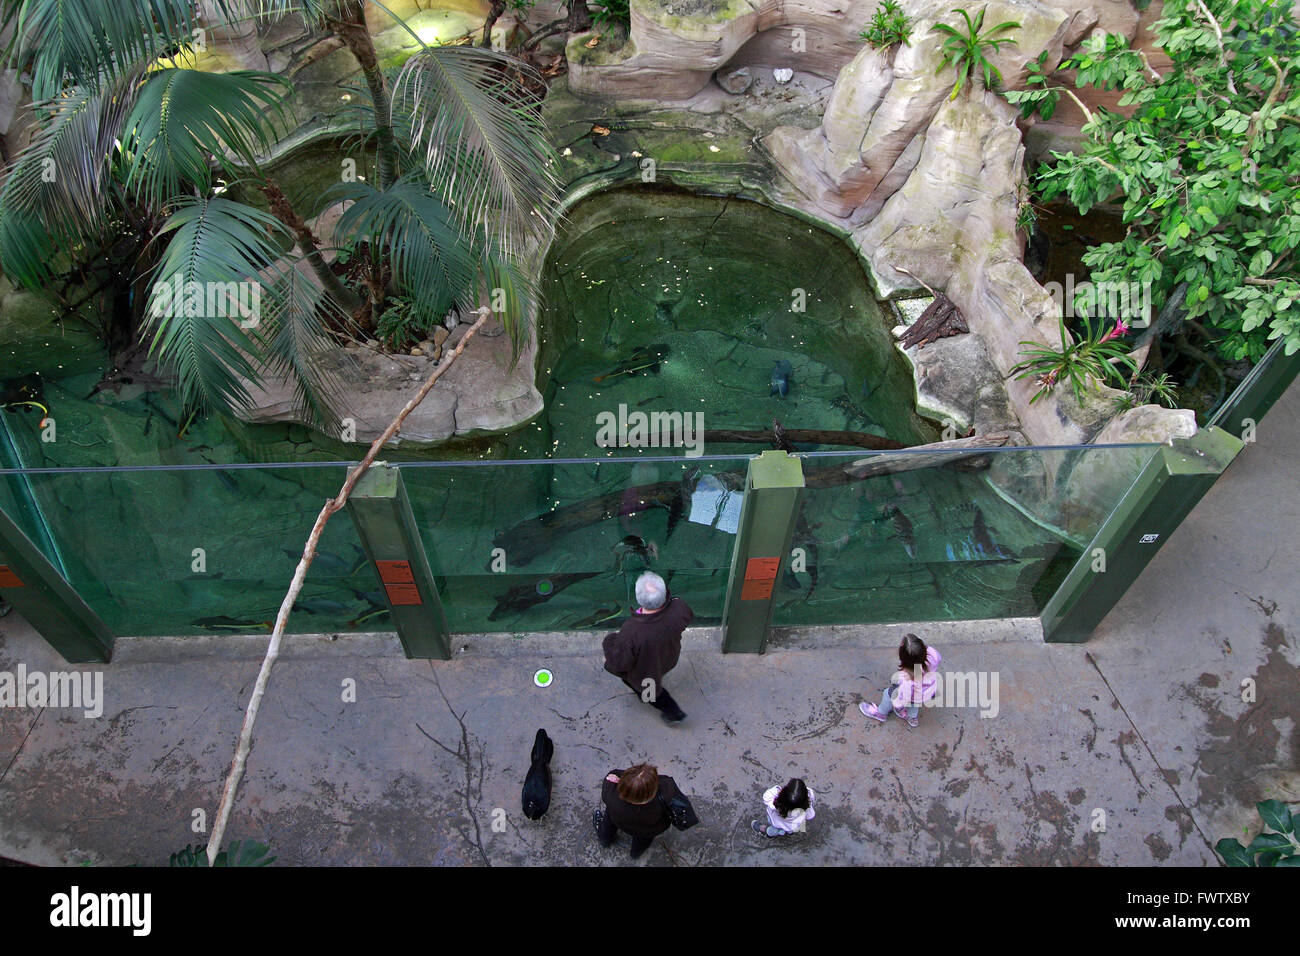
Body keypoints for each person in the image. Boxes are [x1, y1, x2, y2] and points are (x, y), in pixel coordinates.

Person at [602, 571, 692, 723]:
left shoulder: (632, 630)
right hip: (669, 657)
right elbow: (687, 618)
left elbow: (620, 663)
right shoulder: (679, 605)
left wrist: (609, 641)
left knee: (650, 694)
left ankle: (673, 712)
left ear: (639, 598)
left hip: (647, 673)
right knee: (657, 675)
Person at [593, 763, 680, 859]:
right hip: (648, 829)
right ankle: (635, 853)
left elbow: (612, 775)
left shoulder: (610, 793)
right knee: (642, 841)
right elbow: (666, 782)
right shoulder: (666, 794)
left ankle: (605, 839)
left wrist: (619, 780)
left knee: (608, 824)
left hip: (618, 818)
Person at [860, 633, 941, 728]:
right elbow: (932, 653)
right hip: (928, 690)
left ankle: (881, 713)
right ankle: (912, 718)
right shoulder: (933, 655)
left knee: (888, 693)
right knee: (915, 703)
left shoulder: (907, 678)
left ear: (903, 658)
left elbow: (903, 697)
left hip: (912, 694)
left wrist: (900, 708)